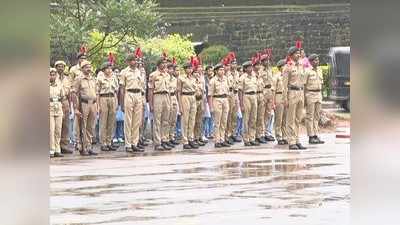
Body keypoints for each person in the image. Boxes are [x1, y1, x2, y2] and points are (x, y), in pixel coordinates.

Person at [71, 60, 98, 156]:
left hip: (93, 104)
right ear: (82, 69)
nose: (89, 68)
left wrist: (97, 105)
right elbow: (74, 93)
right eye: (86, 67)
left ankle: (89, 146)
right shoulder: (79, 79)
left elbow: (96, 92)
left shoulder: (93, 79)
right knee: (82, 126)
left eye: (90, 66)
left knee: (91, 126)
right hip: (83, 104)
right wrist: (76, 108)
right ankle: (82, 147)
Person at [119, 54, 145, 152]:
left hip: (138, 94)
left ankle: (135, 143)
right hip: (129, 93)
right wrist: (121, 103)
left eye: (135, 60)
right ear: (129, 62)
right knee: (128, 121)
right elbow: (121, 89)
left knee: (137, 121)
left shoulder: (139, 71)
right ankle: (128, 144)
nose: (135, 62)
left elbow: (141, 85)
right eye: (133, 60)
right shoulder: (124, 72)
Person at [282, 47, 307, 150]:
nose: (298, 55)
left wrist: (304, 95)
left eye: (299, 53)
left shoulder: (301, 66)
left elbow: (303, 82)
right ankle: (291, 141)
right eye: (296, 53)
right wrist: (285, 99)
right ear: (291, 55)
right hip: (292, 93)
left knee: (298, 119)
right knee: (290, 119)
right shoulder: (287, 67)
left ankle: (297, 140)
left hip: (300, 92)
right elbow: (284, 85)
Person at [149, 59, 173, 151]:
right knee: (157, 120)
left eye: (165, 63)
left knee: (166, 120)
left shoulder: (167, 75)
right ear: (158, 64)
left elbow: (170, 90)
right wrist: (151, 104)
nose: (165, 64)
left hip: (166, 96)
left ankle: (165, 140)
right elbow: (151, 90)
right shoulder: (153, 75)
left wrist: (170, 101)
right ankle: (158, 142)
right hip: (157, 96)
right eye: (163, 63)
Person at [96, 62, 119, 151]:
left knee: (111, 121)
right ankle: (103, 142)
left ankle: (109, 141)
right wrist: (98, 105)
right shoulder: (100, 77)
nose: (109, 70)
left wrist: (116, 102)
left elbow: (116, 90)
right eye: (107, 68)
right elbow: (97, 92)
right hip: (103, 98)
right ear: (103, 69)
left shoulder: (113, 77)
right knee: (103, 121)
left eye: (110, 68)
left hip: (112, 97)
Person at [177, 61, 198, 149]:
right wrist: (180, 106)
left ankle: (191, 138)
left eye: (191, 68)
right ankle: (185, 141)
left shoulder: (193, 78)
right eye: (188, 68)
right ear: (185, 69)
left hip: (193, 97)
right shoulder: (181, 78)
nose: (190, 70)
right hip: (185, 97)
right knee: (185, 120)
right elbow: (179, 92)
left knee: (192, 119)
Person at [208, 63, 230, 148]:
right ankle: (217, 140)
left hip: (225, 99)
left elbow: (227, 91)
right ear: (216, 71)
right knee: (217, 122)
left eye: (223, 69)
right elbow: (210, 95)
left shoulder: (225, 79)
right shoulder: (213, 80)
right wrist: (211, 107)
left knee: (224, 121)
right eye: (220, 70)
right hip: (217, 100)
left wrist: (227, 101)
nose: (222, 71)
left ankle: (222, 139)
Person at [304, 54, 325, 144]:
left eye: (318, 60)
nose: (317, 61)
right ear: (311, 62)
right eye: (315, 60)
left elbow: (321, 83)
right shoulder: (307, 71)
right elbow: (304, 85)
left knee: (317, 116)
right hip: (310, 94)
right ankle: (311, 136)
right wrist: (304, 97)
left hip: (318, 94)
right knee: (310, 116)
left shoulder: (319, 70)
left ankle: (316, 135)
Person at [54, 60, 74, 154]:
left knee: (65, 124)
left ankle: (64, 145)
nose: (60, 68)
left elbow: (69, 92)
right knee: (56, 125)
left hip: (65, 101)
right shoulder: (53, 77)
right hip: (56, 101)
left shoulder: (67, 79)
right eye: (59, 66)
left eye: (62, 66)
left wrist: (70, 105)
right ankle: (55, 146)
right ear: (56, 67)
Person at [238, 61, 259, 146]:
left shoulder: (254, 76)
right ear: (245, 69)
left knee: (253, 119)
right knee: (246, 119)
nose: (251, 68)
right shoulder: (242, 78)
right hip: (246, 96)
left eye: (251, 67)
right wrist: (241, 104)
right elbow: (240, 91)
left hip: (254, 96)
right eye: (249, 67)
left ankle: (252, 138)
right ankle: (246, 139)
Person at [50, 68, 65, 157]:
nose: (52, 76)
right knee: (51, 130)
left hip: (58, 107)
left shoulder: (59, 85)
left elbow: (63, 96)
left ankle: (57, 149)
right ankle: (51, 149)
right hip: (49, 107)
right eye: (51, 74)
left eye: (54, 74)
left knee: (58, 130)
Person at [260, 53, 275, 142]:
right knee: (262, 114)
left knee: (268, 114)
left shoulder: (270, 69)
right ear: (262, 62)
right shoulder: (260, 71)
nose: (267, 62)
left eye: (268, 60)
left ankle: (266, 132)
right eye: (265, 60)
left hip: (270, 91)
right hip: (264, 91)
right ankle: (261, 133)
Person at [274, 59, 289, 145]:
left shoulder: (287, 76)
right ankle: (279, 136)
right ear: (280, 67)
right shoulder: (276, 77)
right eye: (284, 66)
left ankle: (285, 136)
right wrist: (273, 102)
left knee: (285, 119)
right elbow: (273, 90)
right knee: (279, 118)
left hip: (285, 97)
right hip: (279, 96)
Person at [253, 58, 267, 144]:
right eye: (256, 65)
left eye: (259, 65)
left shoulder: (260, 75)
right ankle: (252, 136)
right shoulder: (251, 75)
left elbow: (264, 86)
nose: (258, 66)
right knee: (253, 117)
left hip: (261, 95)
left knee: (260, 117)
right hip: (254, 95)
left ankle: (259, 135)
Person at [193, 66, 206, 147]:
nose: (197, 74)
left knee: (199, 120)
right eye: (195, 72)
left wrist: (204, 103)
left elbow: (203, 92)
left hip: (200, 101)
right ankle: (192, 138)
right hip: (193, 100)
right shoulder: (191, 81)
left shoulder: (201, 80)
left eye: (197, 73)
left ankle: (198, 137)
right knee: (192, 121)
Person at [167, 60, 180, 146]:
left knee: (173, 120)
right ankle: (166, 138)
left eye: (172, 69)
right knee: (167, 120)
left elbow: (177, 91)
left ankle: (172, 136)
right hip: (167, 97)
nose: (171, 71)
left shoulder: (175, 79)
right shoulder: (165, 78)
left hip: (174, 97)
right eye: (169, 69)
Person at [203, 66, 214, 139]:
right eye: (209, 70)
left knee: (212, 117)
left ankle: (211, 132)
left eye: (211, 70)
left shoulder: (213, 79)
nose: (210, 72)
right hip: (206, 99)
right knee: (206, 117)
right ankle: (206, 133)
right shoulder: (204, 79)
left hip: (213, 99)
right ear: (206, 71)